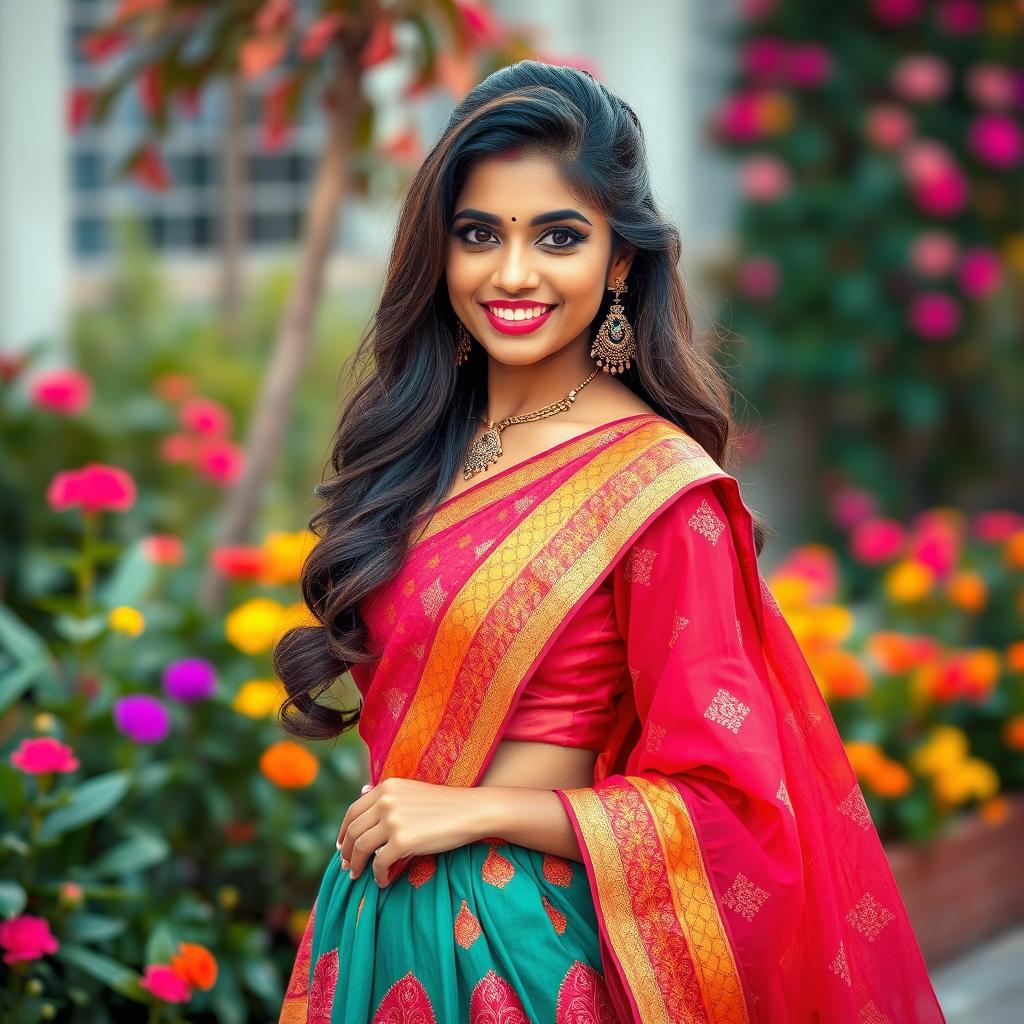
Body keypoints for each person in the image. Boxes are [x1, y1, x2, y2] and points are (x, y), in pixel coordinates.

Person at [274, 61, 945, 1024]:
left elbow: (729, 810)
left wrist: (479, 810)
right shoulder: (429, 450)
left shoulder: (658, 493)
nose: (513, 274)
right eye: (478, 235)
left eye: (558, 236)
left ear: (620, 261)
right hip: (372, 927)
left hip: (525, 955)